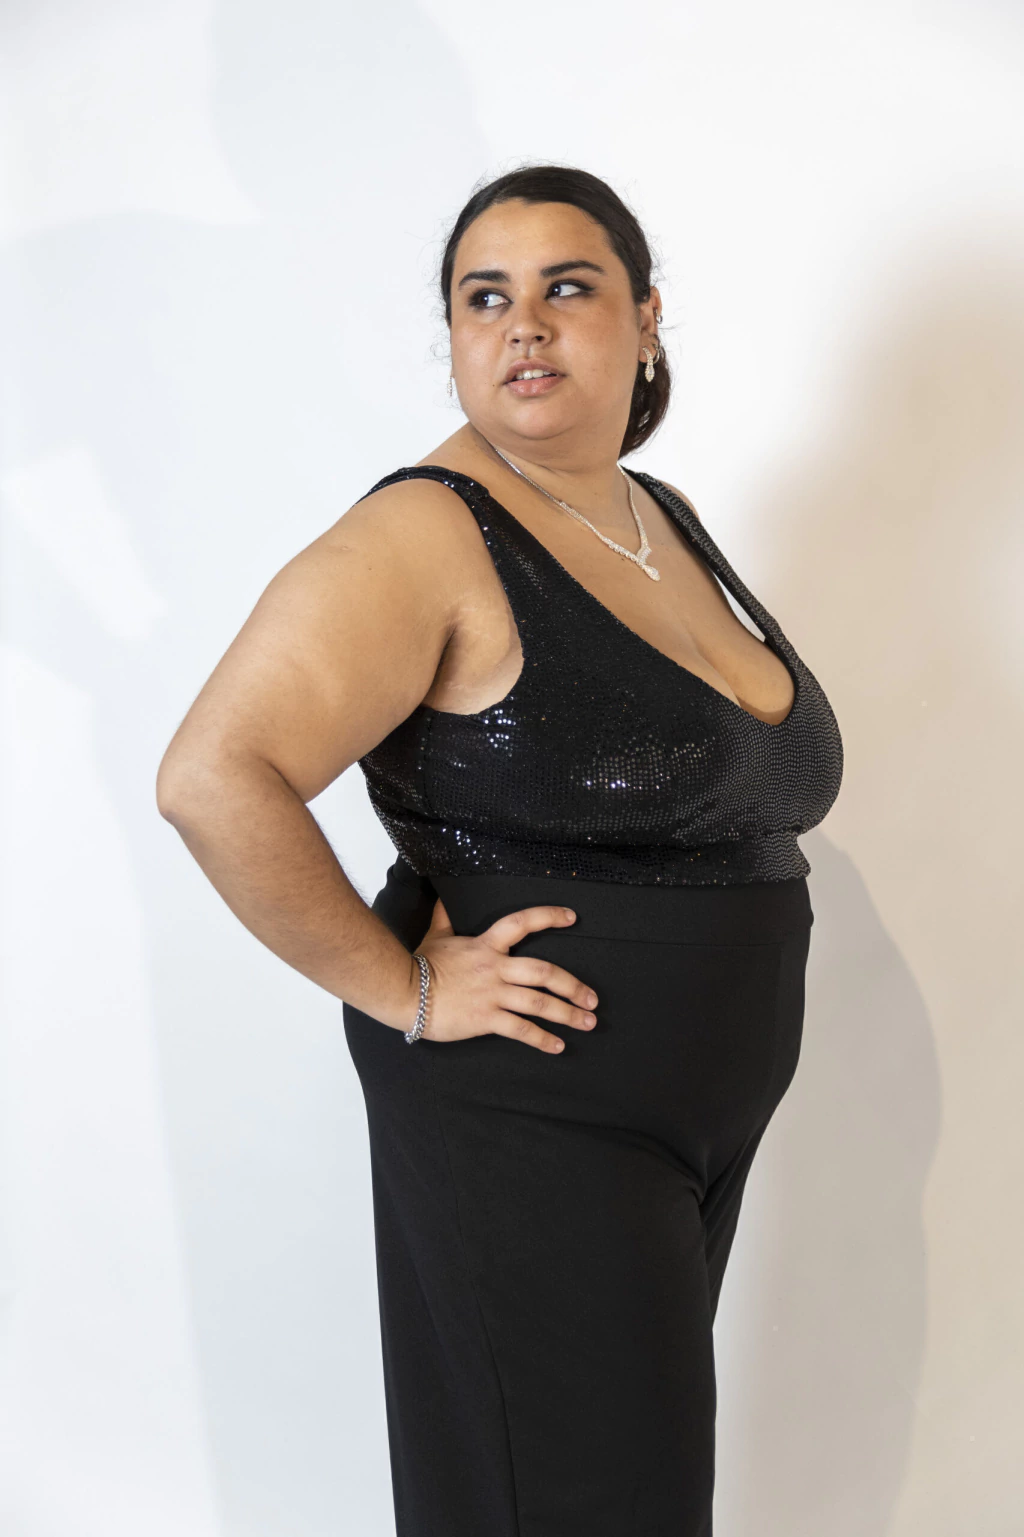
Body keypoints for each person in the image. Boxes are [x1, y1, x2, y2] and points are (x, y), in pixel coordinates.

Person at [157, 163, 843, 1537]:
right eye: (485, 298)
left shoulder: (656, 517)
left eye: (566, 287)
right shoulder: (425, 532)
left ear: (646, 319)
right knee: (588, 1504)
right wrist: (406, 986)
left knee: (607, 1493)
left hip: (685, 1119)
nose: (523, 323)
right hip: (537, 1103)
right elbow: (212, 777)